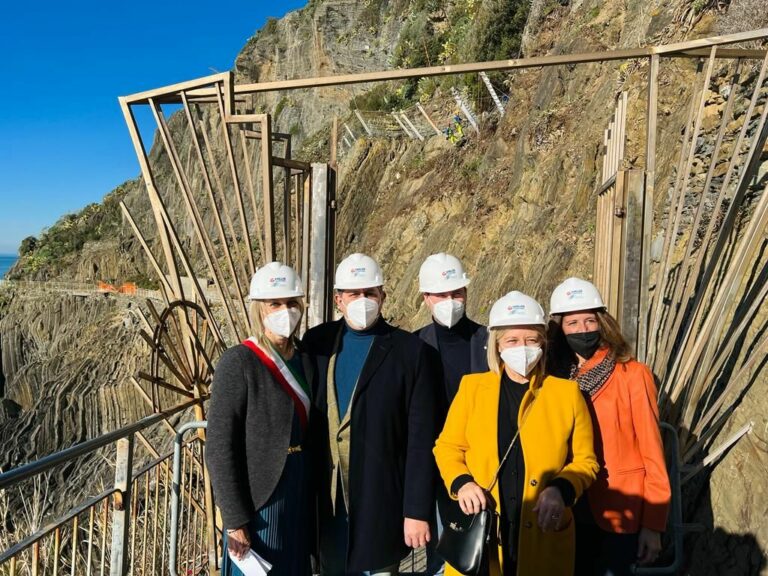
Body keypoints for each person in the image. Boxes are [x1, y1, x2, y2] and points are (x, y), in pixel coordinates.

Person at [434, 291, 599, 576]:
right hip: (483, 530)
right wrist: (462, 483)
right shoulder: (472, 388)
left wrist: (561, 490)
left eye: (531, 340)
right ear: (497, 346)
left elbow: (586, 461)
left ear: (543, 344)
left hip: (543, 530)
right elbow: (447, 447)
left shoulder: (566, 393)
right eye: (512, 340)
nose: (522, 348)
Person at [302, 253, 437, 575]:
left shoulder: (411, 352)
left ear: (382, 296)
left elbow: (421, 439)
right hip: (326, 506)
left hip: (381, 502)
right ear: (338, 299)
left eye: (370, 293)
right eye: (354, 294)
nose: (362, 300)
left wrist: (416, 511)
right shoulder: (316, 343)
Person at [548, 277, 671, 576]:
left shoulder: (633, 374)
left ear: (603, 323)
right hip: (566, 508)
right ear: (559, 329)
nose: (582, 329)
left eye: (589, 321)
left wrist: (653, 524)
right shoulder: (552, 379)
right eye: (572, 323)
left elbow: (652, 451)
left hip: (619, 509)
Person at [207, 262, 312, 576]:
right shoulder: (239, 361)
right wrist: (235, 520)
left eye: (292, 302)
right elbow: (219, 447)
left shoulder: (306, 359)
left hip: (301, 484)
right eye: (275, 304)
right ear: (259, 310)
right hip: (261, 497)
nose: (285, 310)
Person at [416, 253, 488, 575]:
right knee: (439, 558)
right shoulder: (414, 345)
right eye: (441, 295)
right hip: (432, 470)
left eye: (456, 292)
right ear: (426, 298)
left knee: (477, 557)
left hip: (478, 469)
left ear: (466, 293)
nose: (450, 300)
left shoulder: (488, 341)